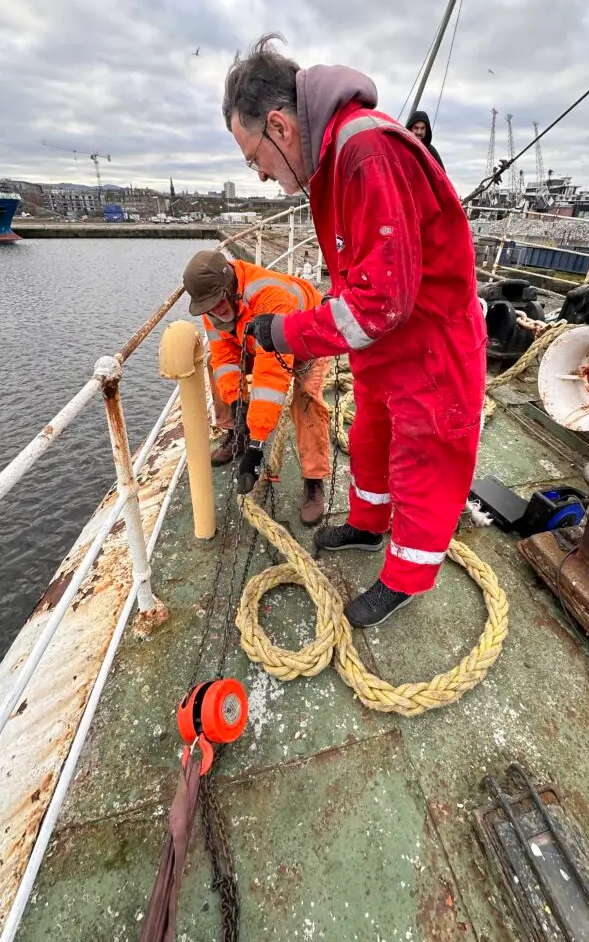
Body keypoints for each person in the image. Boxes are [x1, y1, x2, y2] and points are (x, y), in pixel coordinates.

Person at [222, 34, 486, 629]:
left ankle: (406, 577)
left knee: (423, 457)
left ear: (280, 126)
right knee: (370, 439)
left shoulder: (363, 149)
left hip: (427, 345)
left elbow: (381, 303)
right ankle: (369, 525)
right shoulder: (334, 162)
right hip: (387, 348)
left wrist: (286, 332)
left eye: (253, 157)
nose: (260, 175)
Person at [182, 249, 331, 525]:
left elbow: (271, 372)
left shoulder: (269, 296)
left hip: (307, 338)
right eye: (208, 306)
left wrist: (256, 447)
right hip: (255, 340)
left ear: (229, 286)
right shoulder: (210, 303)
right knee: (215, 364)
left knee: (306, 399)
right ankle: (233, 431)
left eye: (218, 302)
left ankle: (314, 479)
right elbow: (226, 357)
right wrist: (238, 404)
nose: (215, 310)